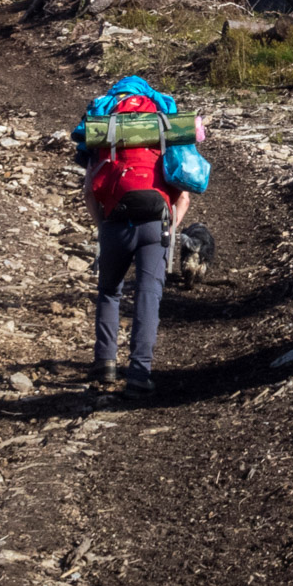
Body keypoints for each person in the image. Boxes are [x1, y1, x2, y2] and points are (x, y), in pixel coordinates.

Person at [71, 76, 203, 391]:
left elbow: (90, 191)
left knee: (109, 291)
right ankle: (139, 373)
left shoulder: (105, 128)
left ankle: (105, 363)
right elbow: (183, 195)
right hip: (156, 219)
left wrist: (103, 226)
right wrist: (170, 226)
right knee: (148, 294)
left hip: (115, 217)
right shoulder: (164, 126)